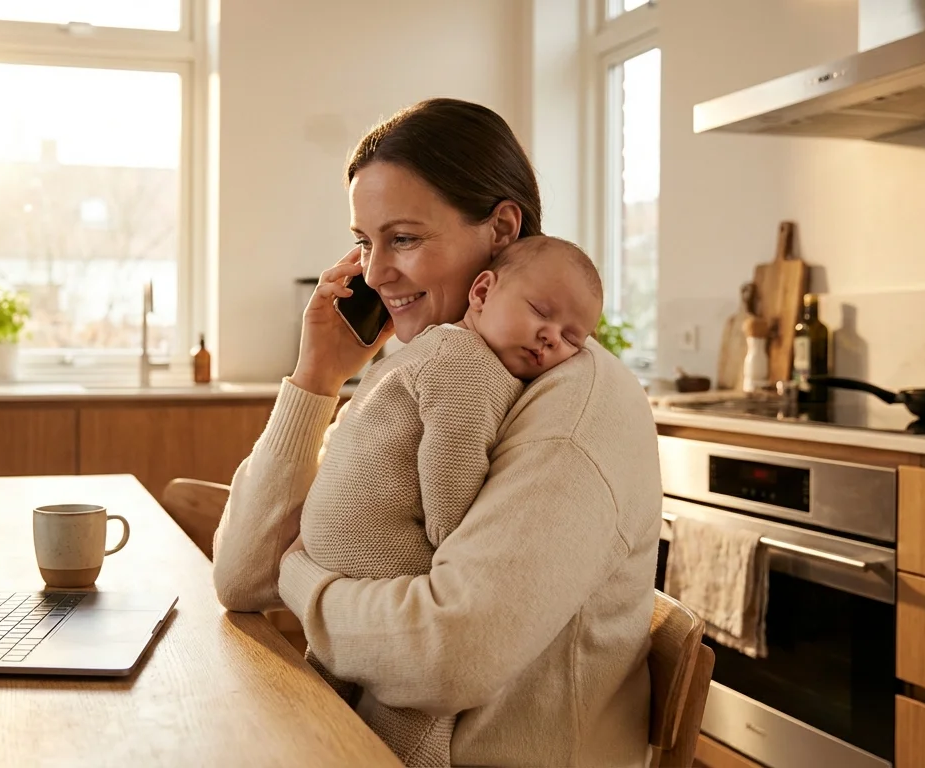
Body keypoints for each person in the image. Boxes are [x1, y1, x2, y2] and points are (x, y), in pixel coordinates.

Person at [212, 98, 662, 767]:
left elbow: (449, 654)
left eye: (404, 239)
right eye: (365, 242)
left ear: (501, 228)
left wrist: (302, 582)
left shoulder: (575, 408)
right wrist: (316, 378)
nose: (372, 273)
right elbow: (242, 577)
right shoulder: (425, 372)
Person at [298, 235, 606, 766]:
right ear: (482, 291)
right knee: (414, 696)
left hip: (336, 542)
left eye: (572, 337)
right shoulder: (469, 365)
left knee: (326, 696)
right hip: (372, 547)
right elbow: (450, 464)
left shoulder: (431, 349)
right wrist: (453, 544)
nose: (550, 338)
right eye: (540, 312)